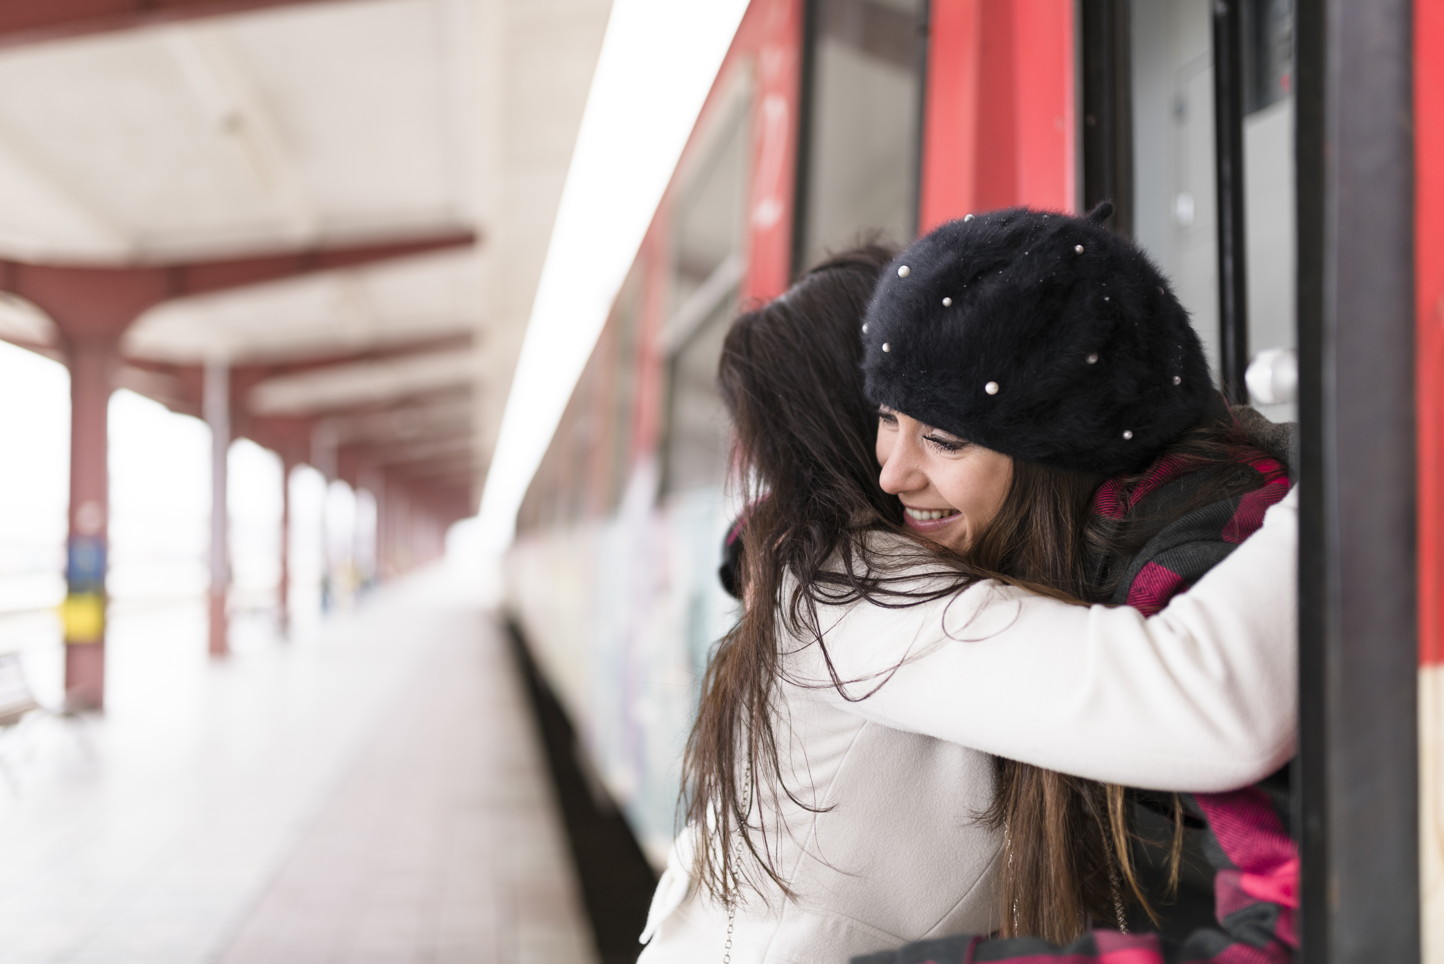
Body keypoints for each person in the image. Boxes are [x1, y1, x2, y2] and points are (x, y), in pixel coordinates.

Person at [637, 215, 1297, 964]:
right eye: (886, 418)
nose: (894, 472)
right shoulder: (851, 588)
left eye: (942, 435)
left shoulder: (866, 568)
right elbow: (1207, 705)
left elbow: (1204, 704)